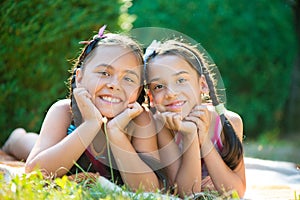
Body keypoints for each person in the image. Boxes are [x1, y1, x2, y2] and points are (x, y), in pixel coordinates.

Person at [3, 26, 164, 192]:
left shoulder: (140, 120)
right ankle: (16, 139)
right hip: (59, 152)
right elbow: (36, 172)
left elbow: (151, 189)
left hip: (63, 154)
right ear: (79, 78)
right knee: (29, 145)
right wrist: (90, 124)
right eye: (104, 72)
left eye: (129, 78)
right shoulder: (65, 111)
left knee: (39, 145)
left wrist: (116, 134)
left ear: (138, 90)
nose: (114, 85)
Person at [143, 40, 246, 197]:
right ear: (151, 98)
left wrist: (204, 140)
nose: (171, 93)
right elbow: (185, 194)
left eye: (181, 80)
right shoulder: (161, 126)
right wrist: (190, 135)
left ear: (203, 85)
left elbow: (236, 193)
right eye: (159, 86)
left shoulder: (229, 122)